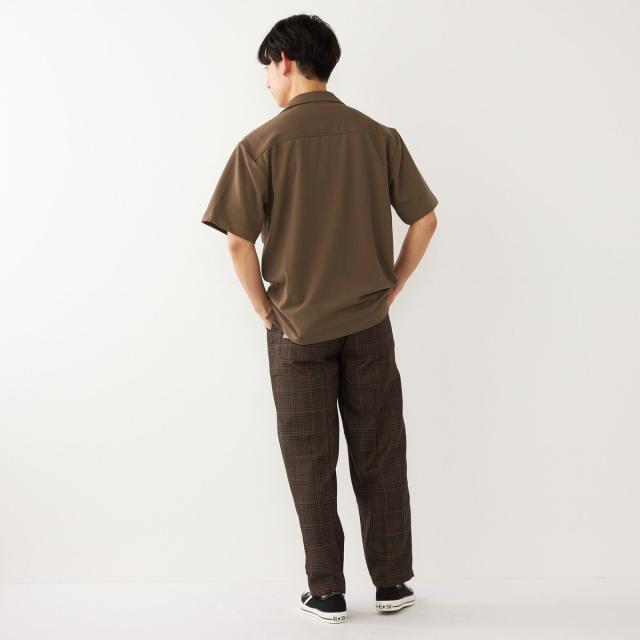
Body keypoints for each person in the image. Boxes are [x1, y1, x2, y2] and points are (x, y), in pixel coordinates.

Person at [201, 13, 438, 624]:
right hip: (368, 325)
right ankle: (392, 584)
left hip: (296, 331)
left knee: (310, 461)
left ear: (284, 60)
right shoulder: (378, 136)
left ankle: (327, 591)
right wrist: (391, 288)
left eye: (266, 69)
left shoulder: (260, 145)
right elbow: (425, 220)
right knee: (380, 450)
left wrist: (264, 310)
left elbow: (237, 242)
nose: (266, 82)